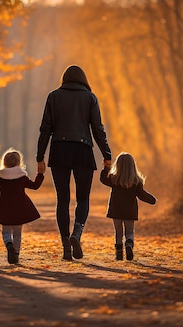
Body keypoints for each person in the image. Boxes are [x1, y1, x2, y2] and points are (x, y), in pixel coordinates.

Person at [36, 65, 112, 261]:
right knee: (83, 199)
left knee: (62, 199)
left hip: (59, 150)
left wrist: (40, 157)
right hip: (83, 150)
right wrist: (106, 153)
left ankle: (65, 246)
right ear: (83, 79)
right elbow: (98, 129)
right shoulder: (90, 98)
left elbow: (45, 129)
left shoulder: (53, 96)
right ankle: (76, 234)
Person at [0, 148, 44, 264]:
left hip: (4, 209)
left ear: (4, 162)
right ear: (19, 163)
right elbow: (35, 186)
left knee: (6, 232)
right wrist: (40, 174)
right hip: (19, 209)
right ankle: (15, 255)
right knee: (17, 233)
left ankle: (9, 245)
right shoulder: (21, 176)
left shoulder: (0, 176)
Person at [100, 152, 156, 261]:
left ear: (118, 165)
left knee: (118, 232)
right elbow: (141, 195)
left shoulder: (113, 179)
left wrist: (106, 167)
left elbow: (103, 179)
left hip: (116, 210)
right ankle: (129, 245)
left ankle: (119, 255)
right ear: (133, 165)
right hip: (130, 211)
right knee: (129, 232)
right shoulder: (136, 181)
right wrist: (152, 199)